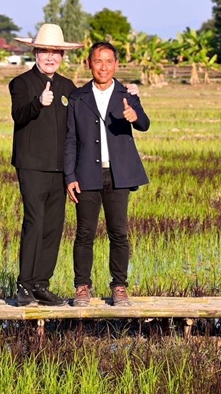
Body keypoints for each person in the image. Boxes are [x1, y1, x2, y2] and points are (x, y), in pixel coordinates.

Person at [65, 42, 150, 307]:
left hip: (118, 175)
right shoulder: (78, 98)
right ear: (89, 64)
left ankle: (119, 287)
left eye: (109, 61)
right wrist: (69, 177)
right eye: (98, 61)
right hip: (86, 175)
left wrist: (134, 115)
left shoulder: (127, 94)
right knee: (84, 233)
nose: (103, 67)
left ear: (116, 64)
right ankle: (82, 287)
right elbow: (70, 140)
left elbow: (145, 124)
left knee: (119, 233)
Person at [10, 23, 82, 307]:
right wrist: (38, 102)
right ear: (35, 53)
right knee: (35, 222)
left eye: (55, 52)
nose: (50, 57)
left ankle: (41, 284)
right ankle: (24, 285)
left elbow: (81, 119)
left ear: (62, 56)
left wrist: (127, 94)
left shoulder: (68, 87)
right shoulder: (21, 83)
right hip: (32, 166)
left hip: (59, 168)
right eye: (44, 51)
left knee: (53, 226)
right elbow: (19, 115)